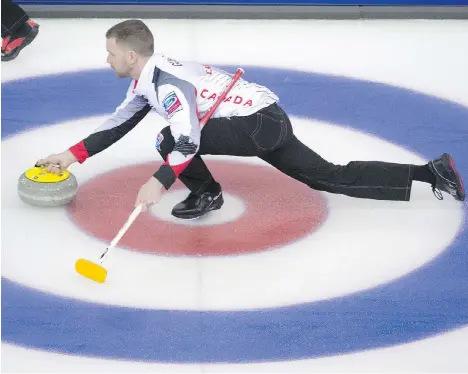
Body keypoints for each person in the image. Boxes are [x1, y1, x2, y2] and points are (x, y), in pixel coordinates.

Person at [36, 19, 465, 219]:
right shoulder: (147, 79)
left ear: (131, 55)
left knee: (170, 138)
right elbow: (119, 122)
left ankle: (206, 194)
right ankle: (431, 172)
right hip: (267, 119)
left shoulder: (167, 85)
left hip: (256, 124)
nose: (106, 58)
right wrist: (72, 155)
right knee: (327, 177)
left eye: (110, 51)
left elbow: (185, 142)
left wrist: (159, 182)